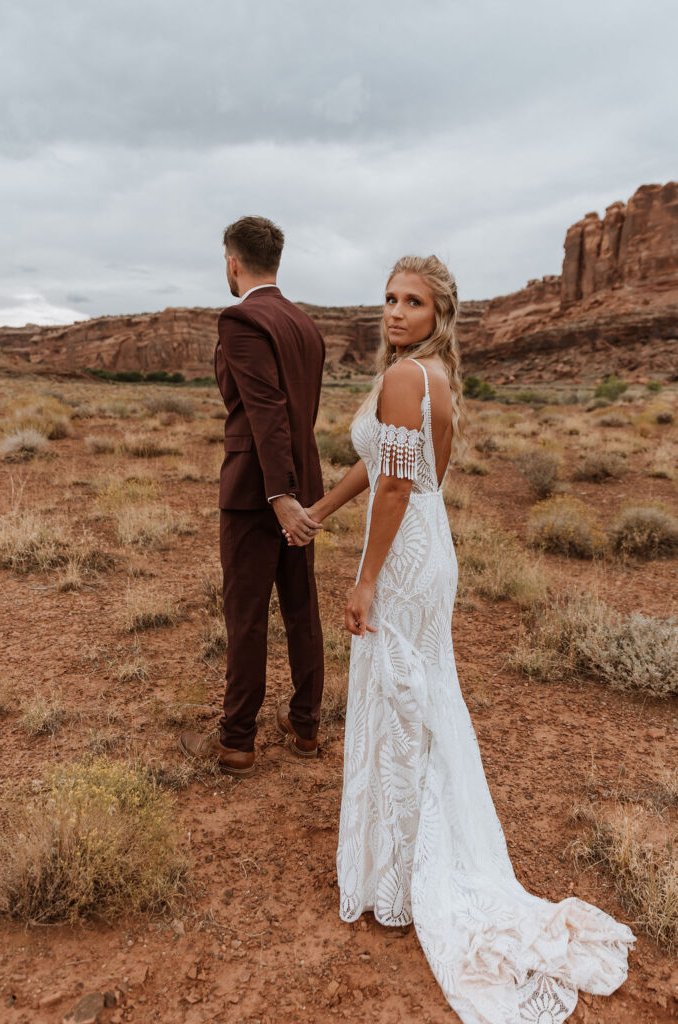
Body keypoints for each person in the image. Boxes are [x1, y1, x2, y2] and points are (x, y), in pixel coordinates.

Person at [285, 254, 635, 1023]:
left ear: (439, 312)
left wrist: (365, 578)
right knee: (415, 700)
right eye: (388, 298)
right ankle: (399, 863)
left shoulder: (409, 376)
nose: (395, 312)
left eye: (412, 301)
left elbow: (402, 484)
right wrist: (316, 512)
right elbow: (381, 468)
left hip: (404, 558)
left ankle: (404, 876)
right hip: (421, 545)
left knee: (399, 701)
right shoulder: (431, 376)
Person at [179, 215, 326, 775]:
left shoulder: (240, 318)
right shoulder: (306, 326)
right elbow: (297, 413)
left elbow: (265, 411)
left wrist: (278, 494)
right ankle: (305, 725)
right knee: (300, 606)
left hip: (257, 492)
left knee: (246, 614)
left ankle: (237, 739)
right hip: (299, 484)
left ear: (233, 262)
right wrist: (294, 490)